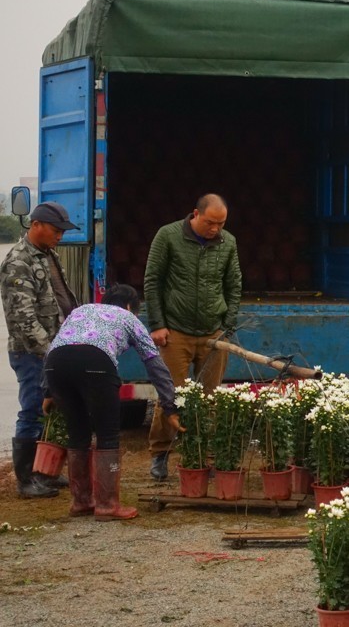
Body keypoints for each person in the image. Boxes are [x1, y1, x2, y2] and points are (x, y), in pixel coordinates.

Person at [44, 285, 183, 520]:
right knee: (108, 434)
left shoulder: (81, 310)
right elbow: (154, 363)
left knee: (77, 434)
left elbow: (56, 345)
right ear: (130, 307)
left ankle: (81, 502)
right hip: (96, 362)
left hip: (55, 365)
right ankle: (107, 506)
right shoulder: (128, 317)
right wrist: (170, 405)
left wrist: (47, 391)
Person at [143, 194, 241, 481]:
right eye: (211, 223)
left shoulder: (228, 242)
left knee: (209, 399)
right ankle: (160, 454)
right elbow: (152, 280)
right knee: (169, 397)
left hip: (213, 333)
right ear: (195, 215)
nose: (215, 229)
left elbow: (234, 284)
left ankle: (202, 457)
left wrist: (227, 325)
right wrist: (157, 324)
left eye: (221, 223)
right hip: (176, 331)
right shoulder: (168, 236)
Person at [1, 201, 80, 499]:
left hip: (55, 347)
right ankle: (25, 479)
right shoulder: (18, 262)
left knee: (53, 409)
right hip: (32, 353)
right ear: (36, 225)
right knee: (33, 409)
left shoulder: (48, 255)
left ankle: (44, 470)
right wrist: (51, 353)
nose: (60, 235)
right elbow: (23, 319)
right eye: (56, 230)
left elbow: (61, 300)